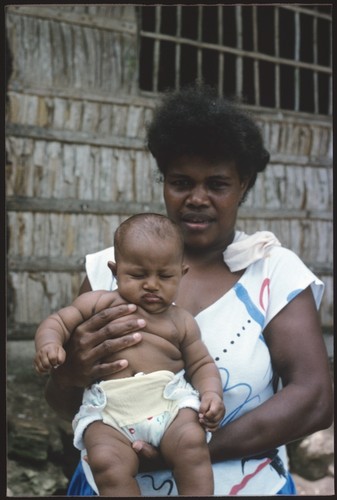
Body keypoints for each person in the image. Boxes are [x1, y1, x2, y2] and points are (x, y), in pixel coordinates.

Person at [43, 84, 333, 496]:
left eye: (217, 184)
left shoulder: (274, 273)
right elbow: (63, 398)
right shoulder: (107, 271)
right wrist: (69, 373)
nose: (197, 198)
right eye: (181, 182)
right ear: (164, 180)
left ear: (244, 184)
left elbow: (314, 399)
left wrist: (191, 449)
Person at [34, 213, 225, 496]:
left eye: (164, 275)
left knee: (192, 445)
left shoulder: (180, 320)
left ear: (181, 274)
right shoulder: (99, 302)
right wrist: (50, 344)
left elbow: (201, 364)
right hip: (109, 410)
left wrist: (211, 394)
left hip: (167, 406)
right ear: (115, 271)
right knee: (105, 461)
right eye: (137, 274)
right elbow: (58, 321)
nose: (151, 284)